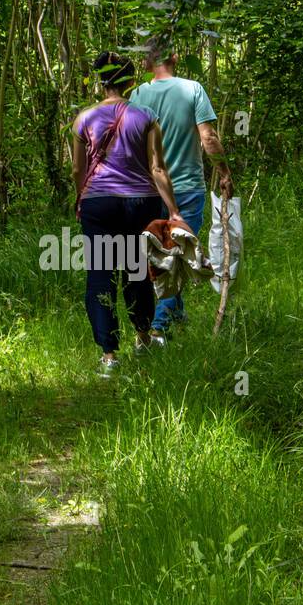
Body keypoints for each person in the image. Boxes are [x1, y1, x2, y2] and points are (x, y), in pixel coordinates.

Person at [72, 52, 187, 378]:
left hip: (98, 204)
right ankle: (142, 337)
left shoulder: (84, 119)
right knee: (136, 272)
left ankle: (109, 356)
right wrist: (175, 211)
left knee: (100, 275)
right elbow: (157, 168)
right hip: (141, 203)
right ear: (130, 80)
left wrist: (82, 198)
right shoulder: (146, 116)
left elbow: (78, 168)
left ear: (101, 81)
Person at [129, 38, 232, 343]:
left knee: (160, 255)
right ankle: (159, 329)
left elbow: (132, 143)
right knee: (179, 258)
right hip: (186, 188)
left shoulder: (137, 95)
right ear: (174, 57)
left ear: (147, 62)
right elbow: (209, 137)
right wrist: (224, 171)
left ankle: (176, 315)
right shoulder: (192, 89)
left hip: (150, 189)